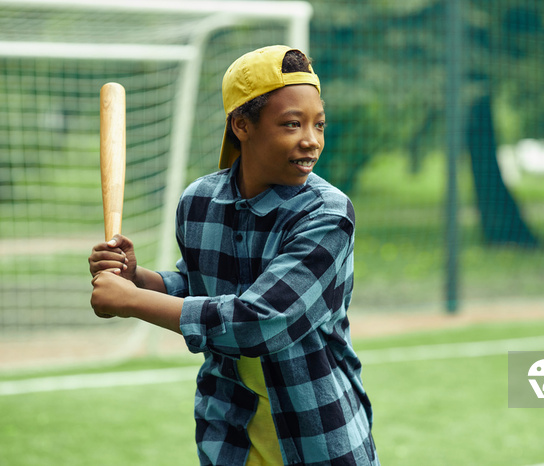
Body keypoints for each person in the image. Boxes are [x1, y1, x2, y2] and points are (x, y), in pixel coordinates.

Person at [89, 45, 379, 466]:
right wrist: (139, 279)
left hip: (318, 436)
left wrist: (131, 302)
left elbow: (260, 322)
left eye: (319, 125)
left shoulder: (327, 214)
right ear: (241, 125)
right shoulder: (199, 201)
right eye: (292, 124)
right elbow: (197, 286)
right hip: (228, 433)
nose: (311, 141)